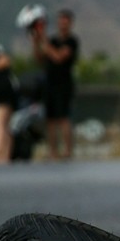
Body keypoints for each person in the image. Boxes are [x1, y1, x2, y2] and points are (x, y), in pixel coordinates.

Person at [31, 9, 79, 159]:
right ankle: (53, 151)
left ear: (70, 23)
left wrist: (44, 40)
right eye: (60, 21)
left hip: (64, 84)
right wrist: (36, 41)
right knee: (50, 118)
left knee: (63, 117)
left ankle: (67, 151)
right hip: (49, 83)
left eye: (65, 21)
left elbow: (58, 57)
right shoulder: (52, 41)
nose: (62, 24)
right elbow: (40, 59)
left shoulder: (72, 41)